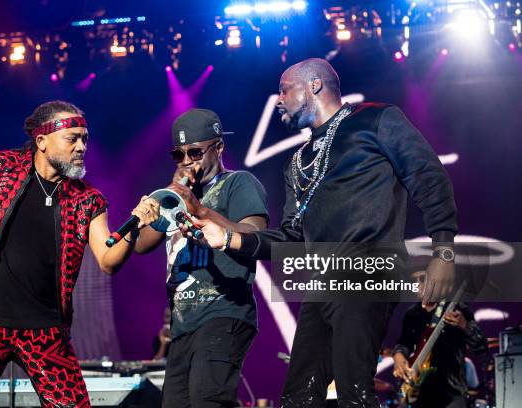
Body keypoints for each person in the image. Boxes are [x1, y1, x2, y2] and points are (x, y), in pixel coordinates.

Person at [197, 58, 458, 407]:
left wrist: (443, 252)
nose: (278, 100)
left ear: (314, 85)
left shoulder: (375, 119)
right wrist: (230, 238)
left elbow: (428, 177)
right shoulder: (297, 162)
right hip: (323, 283)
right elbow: (291, 238)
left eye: (284, 89)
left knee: (354, 391)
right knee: (298, 396)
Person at [0, 100, 159, 407]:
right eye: (72, 139)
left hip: (45, 331)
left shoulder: (88, 200)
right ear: (42, 141)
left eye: (85, 138)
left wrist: (135, 225)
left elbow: (108, 261)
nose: (82, 146)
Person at [133, 108, 269, 408]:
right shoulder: (176, 195)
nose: (187, 162)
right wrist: (164, 202)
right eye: (178, 155)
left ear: (218, 147)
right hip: (184, 323)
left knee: (207, 398)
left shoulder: (238, 183)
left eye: (194, 152)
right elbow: (142, 245)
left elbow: (255, 235)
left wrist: (201, 210)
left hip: (224, 311)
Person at [393, 270, 487, 408]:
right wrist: (398, 356)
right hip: (421, 394)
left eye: (422, 279)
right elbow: (404, 343)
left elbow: (481, 346)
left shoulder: (457, 307)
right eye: (413, 281)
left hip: (452, 394)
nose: (417, 284)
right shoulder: (412, 314)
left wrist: (464, 325)